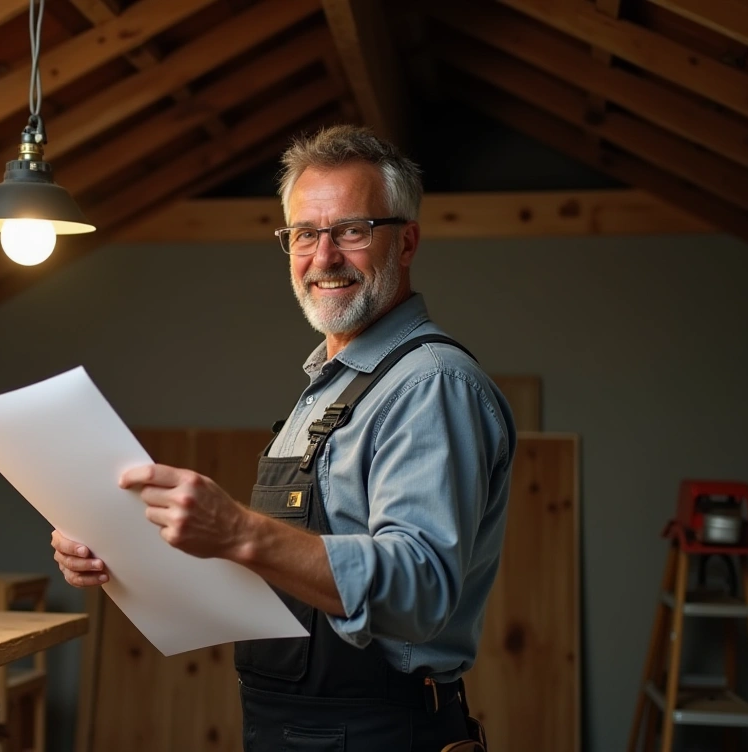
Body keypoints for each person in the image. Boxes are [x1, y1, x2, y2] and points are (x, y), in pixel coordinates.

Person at [51, 125, 515, 751]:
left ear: (405, 242)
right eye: (304, 234)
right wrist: (126, 549)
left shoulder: (429, 385)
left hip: (378, 733)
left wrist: (241, 530)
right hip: (293, 727)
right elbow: (284, 574)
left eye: (350, 230)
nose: (323, 257)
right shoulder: (329, 388)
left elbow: (421, 588)